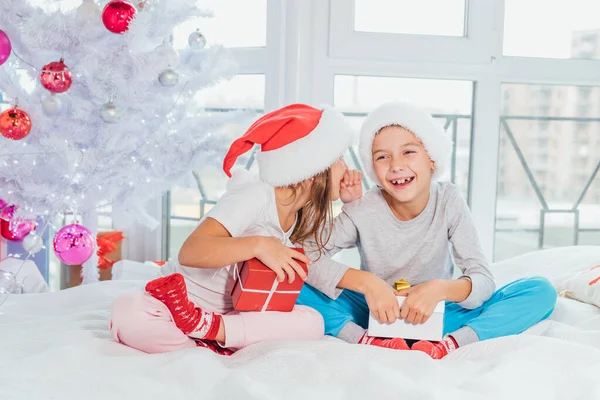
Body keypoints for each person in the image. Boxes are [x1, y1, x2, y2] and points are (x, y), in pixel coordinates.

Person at [297, 101, 558, 359]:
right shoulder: (363, 208)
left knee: (540, 290)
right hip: (375, 313)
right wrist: (369, 284)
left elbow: (482, 279)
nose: (396, 165)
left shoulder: (448, 200)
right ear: (373, 169)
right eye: (382, 157)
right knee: (290, 279)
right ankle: (367, 340)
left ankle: (447, 345)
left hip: (439, 313)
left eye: (408, 152)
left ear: (432, 160)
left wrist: (439, 290)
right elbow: (304, 256)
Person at [110, 104, 362, 355]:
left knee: (313, 322)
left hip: (224, 315)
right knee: (129, 312)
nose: (345, 167)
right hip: (175, 305)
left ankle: (210, 331)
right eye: (338, 158)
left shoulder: (298, 214)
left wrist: (352, 204)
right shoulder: (254, 196)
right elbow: (191, 251)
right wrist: (258, 244)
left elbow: (321, 253)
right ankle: (204, 338)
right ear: (313, 172)